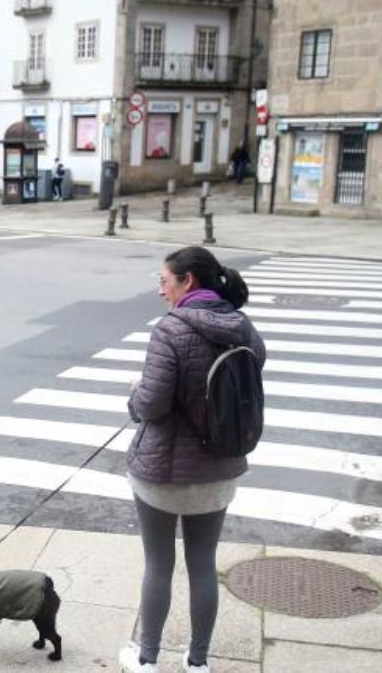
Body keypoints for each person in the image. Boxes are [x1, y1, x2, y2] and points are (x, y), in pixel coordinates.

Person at [119, 247, 265, 673]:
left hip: (163, 472)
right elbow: (249, 378)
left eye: (164, 281)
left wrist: (134, 393)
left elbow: (151, 404)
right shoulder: (242, 326)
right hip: (219, 467)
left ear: (188, 282)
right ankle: (198, 662)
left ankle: (147, 659)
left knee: (158, 564)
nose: (160, 290)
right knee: (203, 563)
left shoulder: (171, 330)